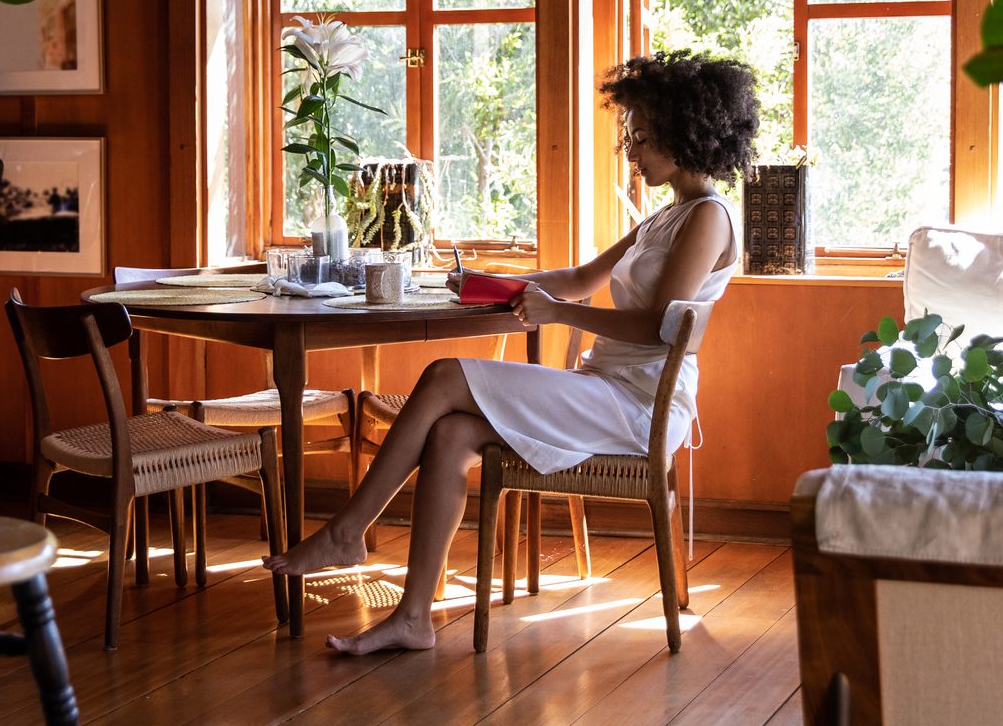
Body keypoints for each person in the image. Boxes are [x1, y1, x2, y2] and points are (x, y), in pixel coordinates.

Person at [265, 50, 761, 655]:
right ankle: (413, 618)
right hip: (602, 389)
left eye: (642, 135)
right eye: (631, 133)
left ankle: (348, 530)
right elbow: (578, 278)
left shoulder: (709, 218)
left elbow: (658, 327)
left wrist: (556, 313)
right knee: (449, 434)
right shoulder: (666, 216)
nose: (630, 149)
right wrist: (488, 280)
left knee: (444, 376)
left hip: (639, 405)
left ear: (686, 133)